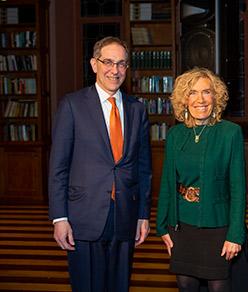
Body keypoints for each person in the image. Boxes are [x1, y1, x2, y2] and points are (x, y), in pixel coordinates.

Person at [48, 36, 152, 291]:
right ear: (94, 64)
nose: (115, 70)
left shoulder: (137, 109)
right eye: (108, 62)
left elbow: (144, 168)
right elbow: (58, 167)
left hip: (126, 216)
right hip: (84, 217)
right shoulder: (72, 105)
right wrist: (59, 217)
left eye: (121, 64)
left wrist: (142, 215)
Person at [156, 67, 246, 292]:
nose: (200, 99)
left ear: (215, 97)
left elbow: (238, 188)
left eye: (206, 92)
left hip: (218, 226)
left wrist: (235, 234)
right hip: (182, 225)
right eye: (193, 93)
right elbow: (167, 183)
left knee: (218, 287)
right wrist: (162, 227)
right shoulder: (176, 135)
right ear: (184, 100)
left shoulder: (230, 133)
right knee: (186, 284)